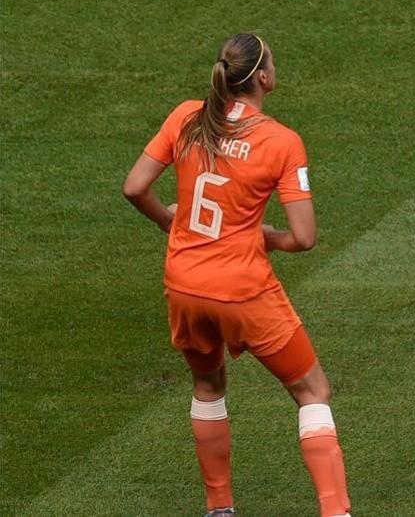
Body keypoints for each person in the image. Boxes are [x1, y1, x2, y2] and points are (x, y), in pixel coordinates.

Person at [122, 34, 352, 515]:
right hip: (243, 289)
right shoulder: (280, 141)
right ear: (263, 78)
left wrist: (171, 221)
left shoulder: (187, 115)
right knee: (312, 391)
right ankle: (336, 512)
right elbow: (304, 237)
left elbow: (135, 187)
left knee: (208, 386)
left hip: (184, 284)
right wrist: (269, 236)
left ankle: (219, 507)